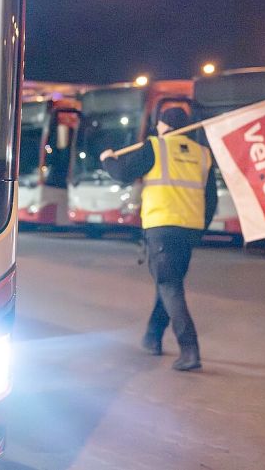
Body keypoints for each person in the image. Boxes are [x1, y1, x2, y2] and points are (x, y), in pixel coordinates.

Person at [100, 107, 216, 371]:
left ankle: (189, 350)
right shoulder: (202, 154)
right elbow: (211, 199)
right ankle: (152, 337)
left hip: (161, 227)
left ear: (162, 125)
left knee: (169, 285)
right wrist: (200, 227)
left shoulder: (156, 147)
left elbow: (122, 173)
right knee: (168, 283)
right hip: (188, 230)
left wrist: (107, 159)